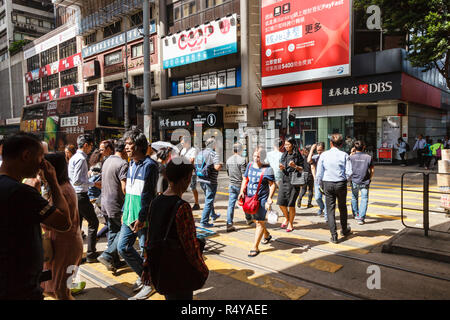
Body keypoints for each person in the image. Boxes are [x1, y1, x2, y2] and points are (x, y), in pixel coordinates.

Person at [0, 133, 70, 300]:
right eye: (41, 158)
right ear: (26, 156)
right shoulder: (22, 193)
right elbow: (63, 222)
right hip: (20, 287)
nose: (42, 165)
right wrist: (53, 181)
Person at [142, 157, 209, 300]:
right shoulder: (182, 207)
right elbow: (189, 244)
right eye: (190, 178)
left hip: (161, 267)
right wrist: (202, 269)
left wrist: (147, 266)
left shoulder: (155, 202)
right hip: (179, 270)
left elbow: (149, 239)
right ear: (185, 179)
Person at [118, 129, 158, 300]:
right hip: (129, 215)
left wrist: (141, 218)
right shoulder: (131, 163)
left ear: (140, 146)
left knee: (145, 252)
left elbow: (147, 195)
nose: (126, 147)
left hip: (143, 218)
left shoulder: (150, 166)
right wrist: (125, 211)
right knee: (123, 247)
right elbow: (130, 192)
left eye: (129, 144)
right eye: (125, 144)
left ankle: (149, 283)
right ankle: (147, 277)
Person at [41, 152, 84, 300]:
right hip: (61, 245)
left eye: (43, 168)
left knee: (61, 291)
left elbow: (63, 221)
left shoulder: (63, 190)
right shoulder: (61, 187)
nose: (40, 173)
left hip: (65, 247)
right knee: (51, 290)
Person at [68, 134, 101, 263]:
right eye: (91, 146)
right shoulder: (81, 159)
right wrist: (94, 183)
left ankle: (77, 254)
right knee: (93, 222)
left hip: (75, 195)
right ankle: (91, 254)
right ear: (86, 145)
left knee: (78, 225)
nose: (91, 149)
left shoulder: (74, 157)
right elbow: (77, 180)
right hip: (80, 195)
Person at [97, 139, 129, 273]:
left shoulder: (107, 160)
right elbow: (125, 188)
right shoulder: (123, 164)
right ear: (124, 150)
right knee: (125, 231)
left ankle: (114, 262)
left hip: (104, 203)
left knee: (113, 232)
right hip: (116, 204)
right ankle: (108, 255)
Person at [238, 147, 276, 257]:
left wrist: (269, 198)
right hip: (250, 199)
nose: (255, 158)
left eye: (258, 156)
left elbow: (272, 184)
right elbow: (245, 178)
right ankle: (267, 235)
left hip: (261, 199)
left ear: (263, 157)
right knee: (256, 220)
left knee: (259, 222)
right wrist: (242, 191)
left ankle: (255, 247)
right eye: (254, 156)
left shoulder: (268, 169)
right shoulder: (250, 165)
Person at [316, 133, 353, 244]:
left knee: (330, 209)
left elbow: (319, 173)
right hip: (340, 183)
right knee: (342, 207)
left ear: (330, 143)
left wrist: (319, 185)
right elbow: (349, 172)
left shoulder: (324, 155)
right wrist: (345, 180)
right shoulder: (344, 155)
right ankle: (345, 230)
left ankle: (334, 235)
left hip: (327, 183)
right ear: (341, 144)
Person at [277, 136, 304, 232]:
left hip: (294, 182)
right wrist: (281, 167)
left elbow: (302, 168)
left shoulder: (298, 155)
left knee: (291, 204)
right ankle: (287, 217)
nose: (286, 146)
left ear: (293, 145)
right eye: (285, 144)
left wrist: (295, 166)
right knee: (280, 202)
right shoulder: (284, 155)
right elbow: (282, 166)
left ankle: (291, 224)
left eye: (288, 144)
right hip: (284, 180)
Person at [196, 137, 223, 228]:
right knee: (209, 200)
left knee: (208, 198)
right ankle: (204, 221)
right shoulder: (214, 154)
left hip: (201, 178)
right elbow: (217, 167)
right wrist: (221, 164)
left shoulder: (201, 152)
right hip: (210, 180)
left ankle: (213, 215)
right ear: (214, 145)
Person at [349, 141, 374, 225]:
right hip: (365, 181)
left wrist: (351, 153)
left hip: (354, 180)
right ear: (364, 147)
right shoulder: (368, 157)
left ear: (355, 148)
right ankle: (361, 218)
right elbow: (372, 170)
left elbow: (348, 168)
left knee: (354, 197)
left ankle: (356, 214)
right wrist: (369, 178)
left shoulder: (351, 157)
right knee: (364, 199)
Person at [225, 143, 247, 232]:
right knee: (245, 202)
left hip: (231, 184)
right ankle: (249, 218)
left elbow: (228, 173)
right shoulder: (242, 160)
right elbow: (244, 175)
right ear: (240, 150)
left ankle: (229, 223)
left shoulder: (228, 160)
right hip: (240, 185)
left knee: (231, 205)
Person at [180, 136, 200, 210]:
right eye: (181, 143)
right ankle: (179, 202)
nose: (182, 144)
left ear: (187, 143)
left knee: (193, 187)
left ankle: (196, 203)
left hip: (191, 172)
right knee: (181, 187)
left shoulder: (193, 150)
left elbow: (192, 160)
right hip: (183, 171)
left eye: (183, 143)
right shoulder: (183, 150)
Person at [308, 142, 327, 219]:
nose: (319, 152)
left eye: (321, 150)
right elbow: (309, 160)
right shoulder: (315, 157)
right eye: (318, 150)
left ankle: (326, 215)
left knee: (326, 198)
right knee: (317, 197)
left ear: (324, 149)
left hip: (326, 180)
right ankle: (321, 207)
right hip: (317, 180)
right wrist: (312, 150)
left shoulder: (326, 156)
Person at [297, 145, 314, 209]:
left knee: (303, 189)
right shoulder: (311, 157)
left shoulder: (302, 157)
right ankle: (309, 203)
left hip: (304, 175)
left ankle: (299, 199)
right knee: (310, 190)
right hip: (310, 175)